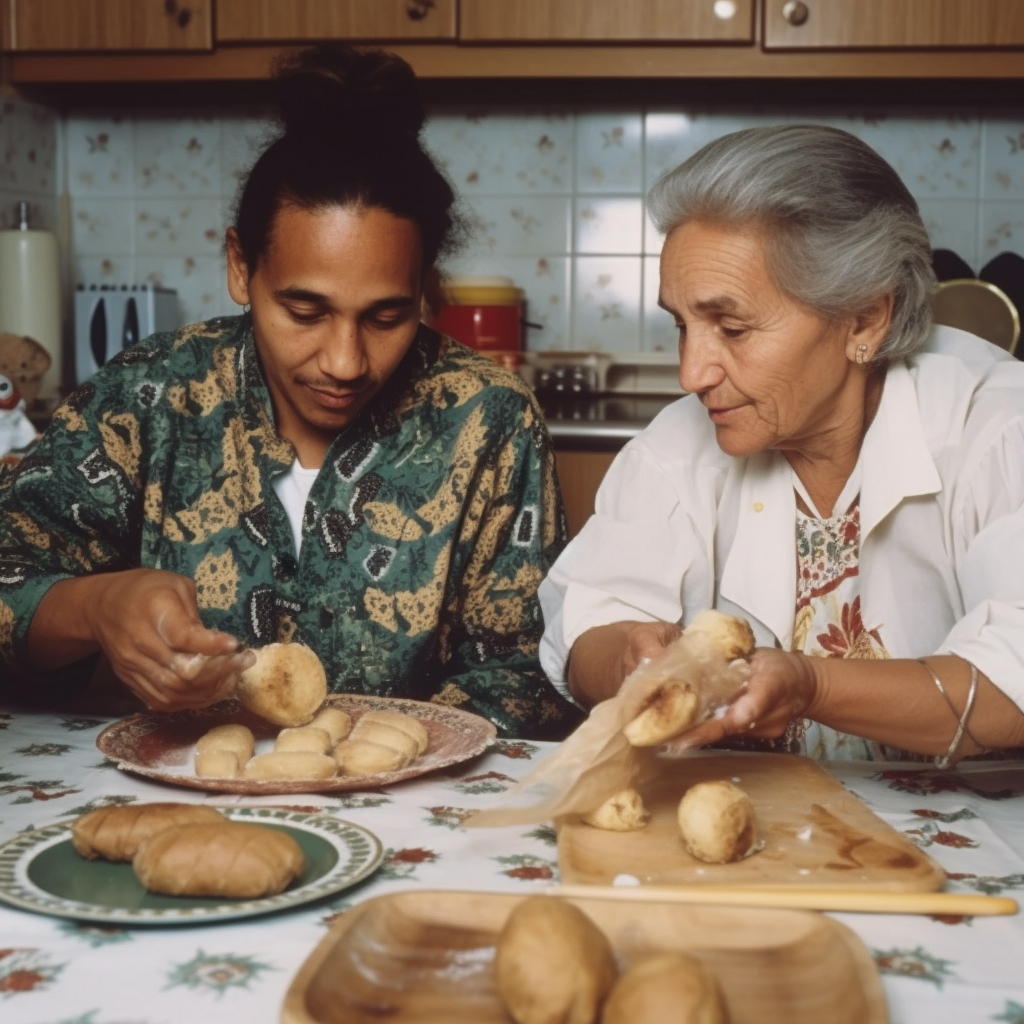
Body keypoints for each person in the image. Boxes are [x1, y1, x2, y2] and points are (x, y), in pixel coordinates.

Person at [0, 45, 582, 740]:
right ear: (241, 268)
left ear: (425, 288)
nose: (344, 361)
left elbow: (527, 677)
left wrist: (352, 751)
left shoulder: (489, 419)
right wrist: (95, 607)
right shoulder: (149, 396)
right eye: (305, 312)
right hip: (179, 804)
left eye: (386, 316)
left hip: (408, 816)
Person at [539, 124, 1024, 763]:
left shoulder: (996, 429)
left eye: (733, 328)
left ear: (865, 317)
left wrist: (811, 683)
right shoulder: (679, 444)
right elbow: (587, 622)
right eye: (682, 325)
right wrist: (631, 658)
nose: (691, 374)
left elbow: (1013, 682)